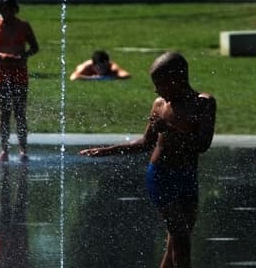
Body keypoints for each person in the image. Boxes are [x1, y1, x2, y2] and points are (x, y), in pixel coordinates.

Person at [80, 52, 216, 267]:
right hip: (161, 176)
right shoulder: (159, 105)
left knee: (178, 240)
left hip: (188, 177)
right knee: (181, 239)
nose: (156, 90)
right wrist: (108, 150)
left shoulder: (203, 104)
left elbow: (203, 144)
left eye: (160, 84)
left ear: (177, 80)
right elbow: (145, 143)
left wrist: (170, 130)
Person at [0, 0, 39, 163]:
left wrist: (24, 56)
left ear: (15, 9)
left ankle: (23, 151)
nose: (6, 13)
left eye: (9, 9)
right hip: (1, 73)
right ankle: (4, 151)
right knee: (5, 113)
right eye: (3, 9)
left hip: (19, 73)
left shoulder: (24, 26)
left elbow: (34, 47)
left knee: (20, 112)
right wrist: (0, 56)